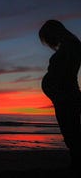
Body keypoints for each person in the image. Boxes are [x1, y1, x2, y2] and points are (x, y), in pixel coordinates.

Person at [39, 20, 81, 174]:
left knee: (72, 133)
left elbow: (66, 74)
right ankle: (76, 164)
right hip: (62, 96)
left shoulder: (72, 45)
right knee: (71, 132)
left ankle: (77, 167)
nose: (49, 42)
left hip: (66, 96)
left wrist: (60, 92)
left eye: (47, 37)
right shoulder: (69, 45)